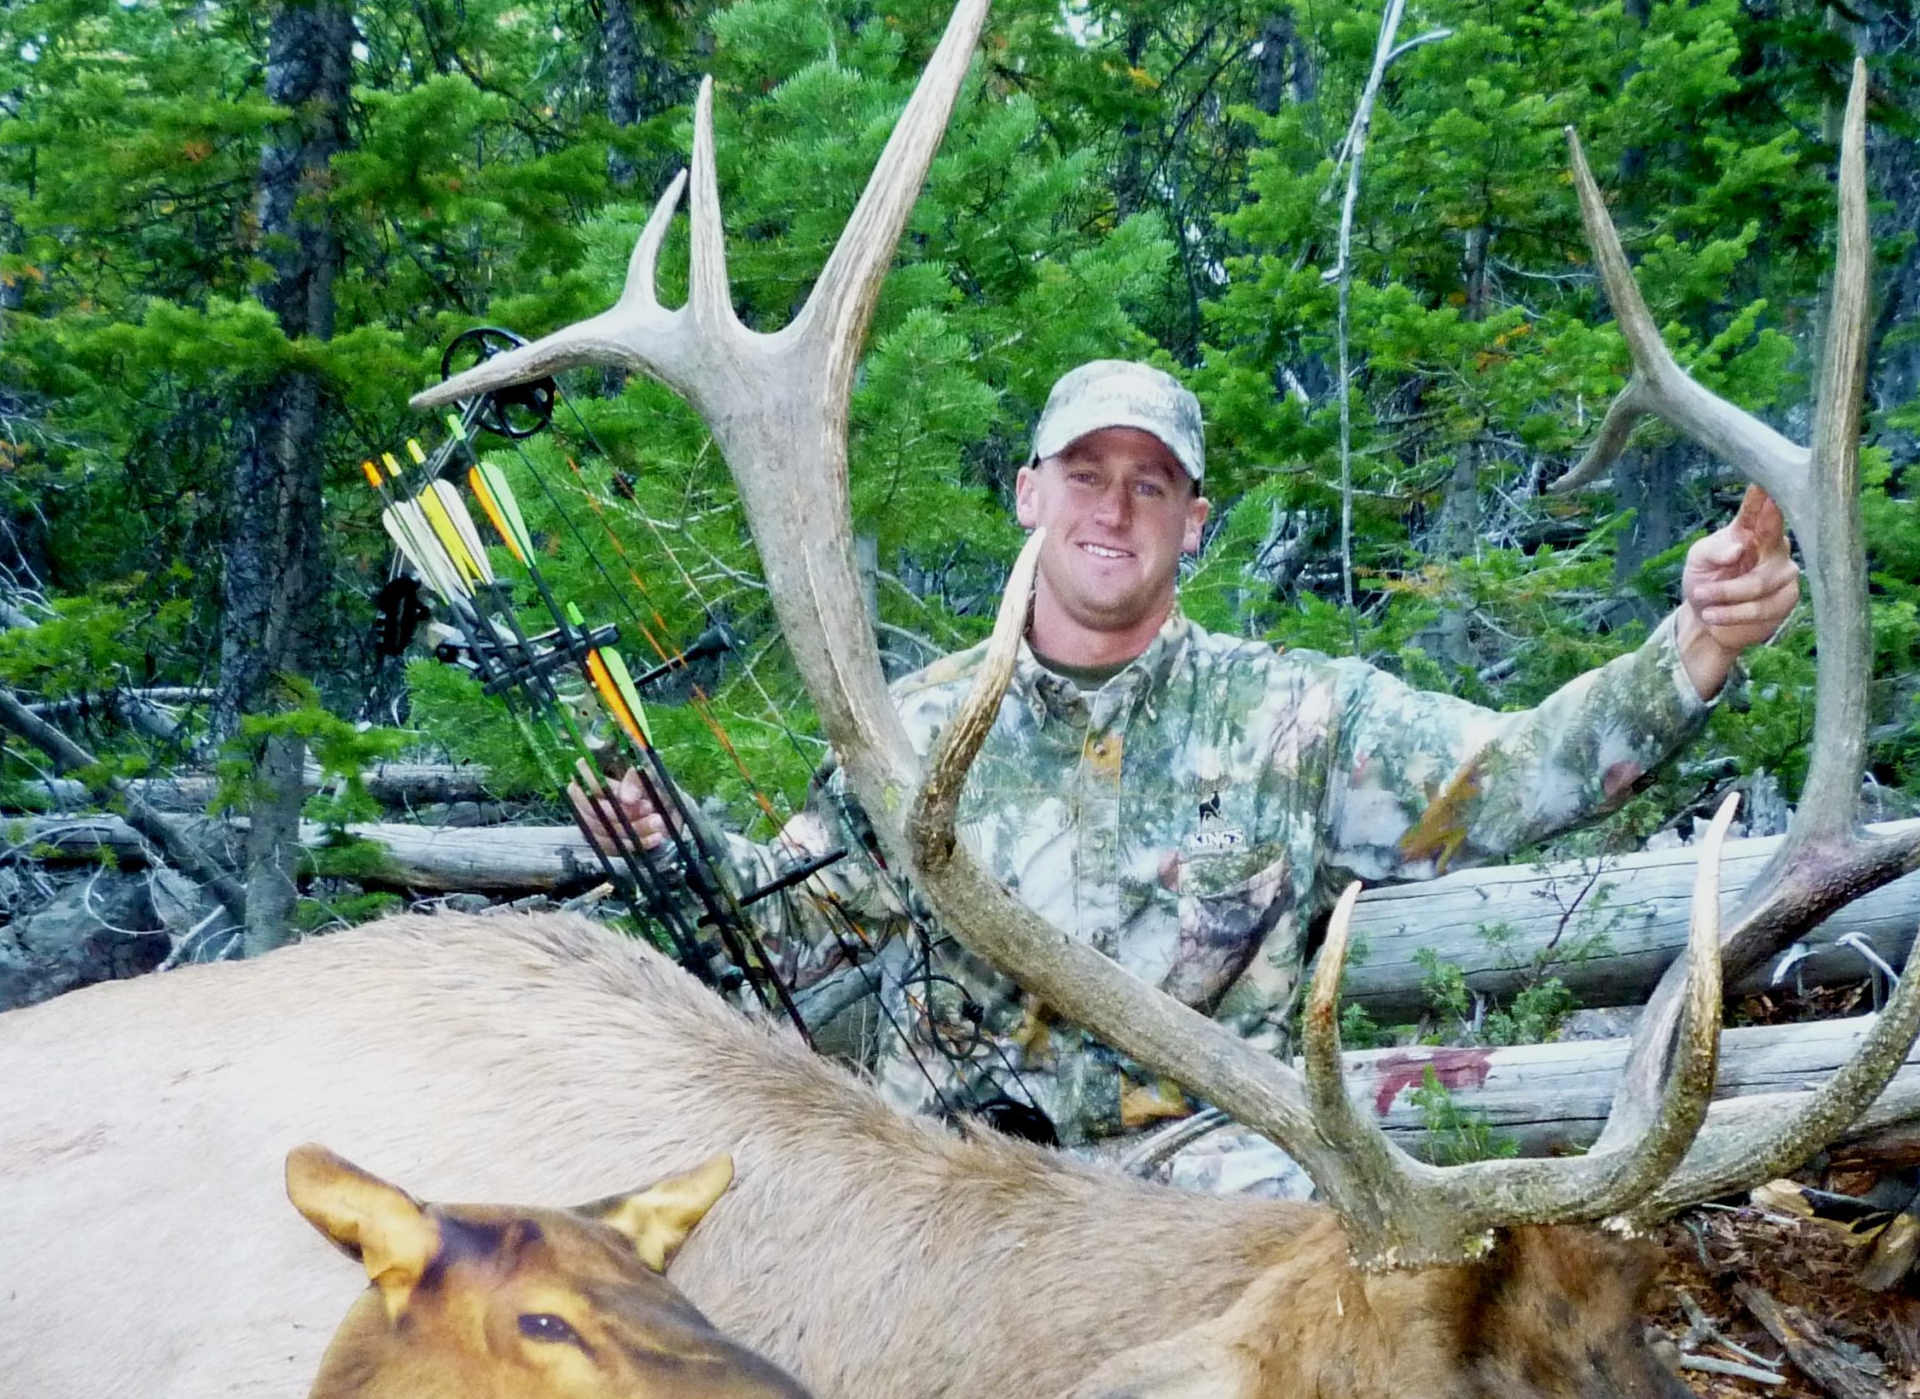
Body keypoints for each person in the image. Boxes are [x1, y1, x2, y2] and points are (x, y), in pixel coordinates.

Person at [584, 358, 1800, 1164]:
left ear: (1194, 524)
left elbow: (1511, 775)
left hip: (1199, 1171)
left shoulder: (1293, 719)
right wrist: (668, 840)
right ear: (1028, 494)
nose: (1112, 510)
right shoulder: (906, 721)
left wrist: (1691, 645)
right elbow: (797, 930)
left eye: (1150, 485)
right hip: (945, 1175)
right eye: (1084, 476)